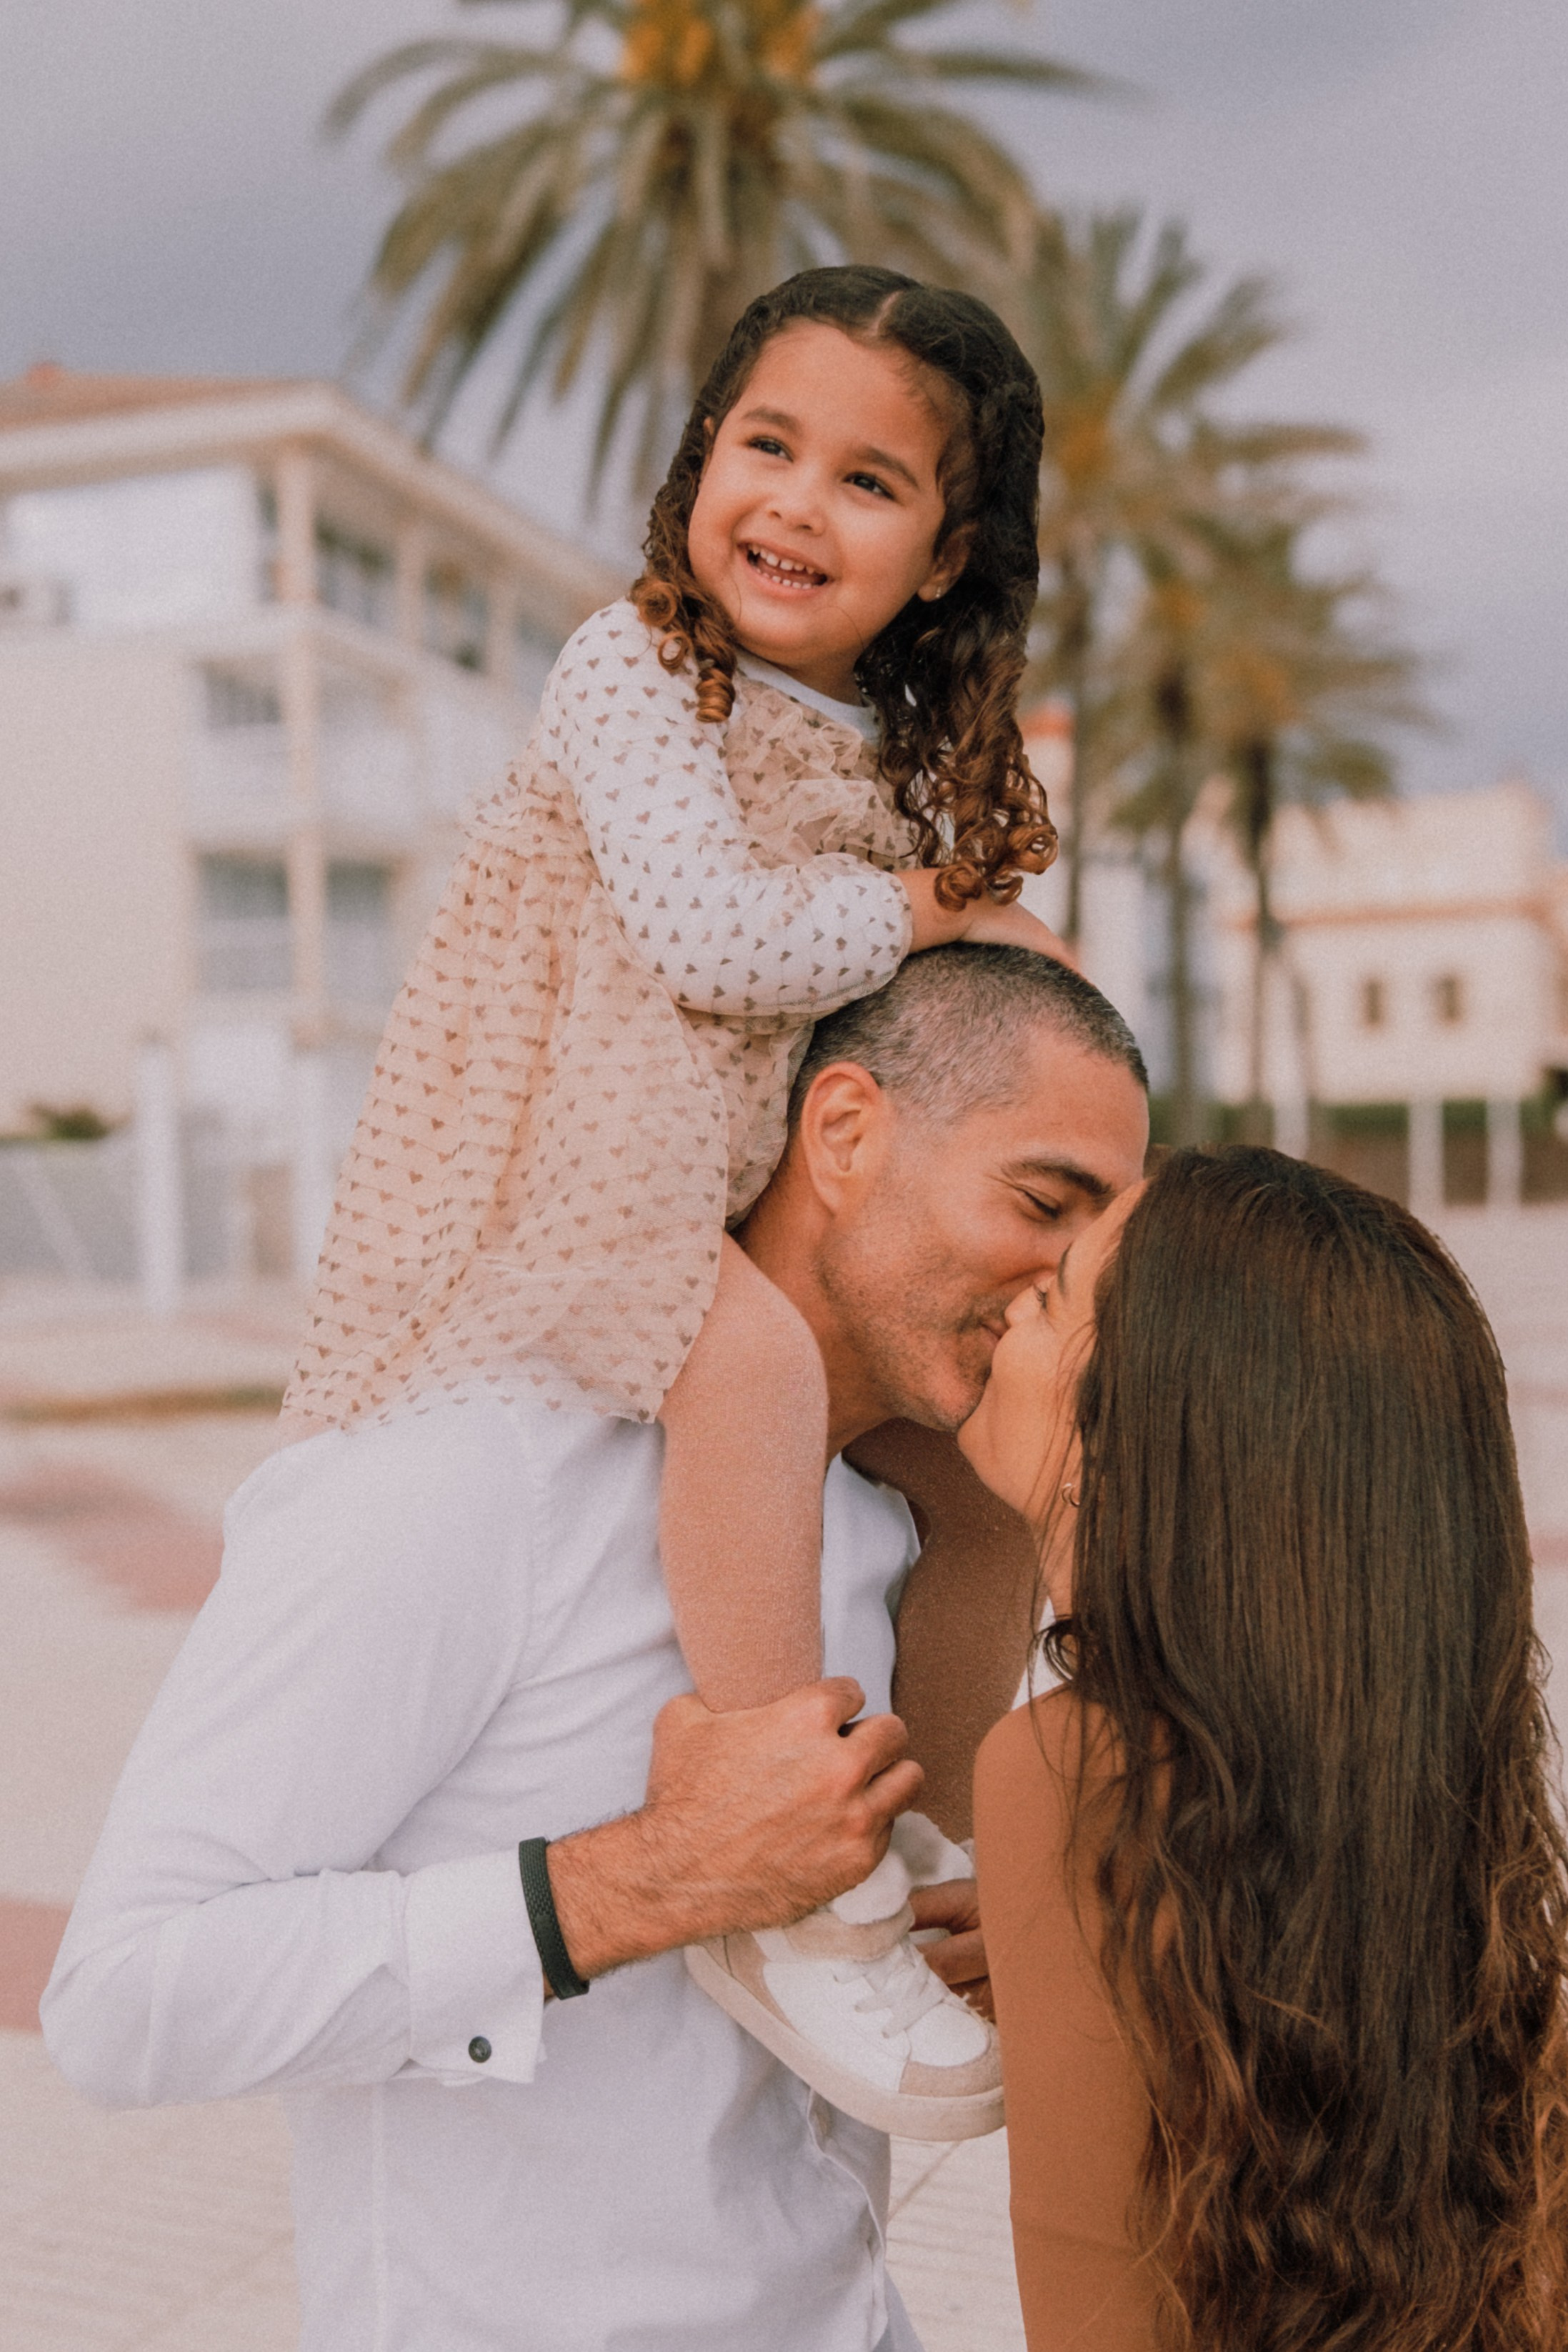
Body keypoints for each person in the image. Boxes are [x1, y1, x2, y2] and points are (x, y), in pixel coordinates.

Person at [43, 944, 1152, 2352]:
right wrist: (624, 1886)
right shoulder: (470, 1469)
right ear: (847, 1129)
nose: (1064, 1278)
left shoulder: (893, 1522)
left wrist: (962, 1931)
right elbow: (124, 1995)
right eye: (1044, 1201)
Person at [276, 262, 1063, 2125]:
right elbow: (713, 935)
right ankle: (778, 1861)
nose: (793, 501)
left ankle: (939, 1847)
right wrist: (932, 909)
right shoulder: (631, 664)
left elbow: (969, 974)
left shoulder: (902, 751)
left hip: (729, 1188)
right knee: (752, 1374)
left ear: (946, 556)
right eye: (765, 443)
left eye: (868, 482)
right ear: (701, 455)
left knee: (976, 1463)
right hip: (562, 1177)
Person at [961, 1146, 1568, 2351]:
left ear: (1136, 1434)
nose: (1008, 1301)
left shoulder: (1070, 1775)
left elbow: (1095, 2323)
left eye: (1056, 1293)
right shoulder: (1416, 1779)